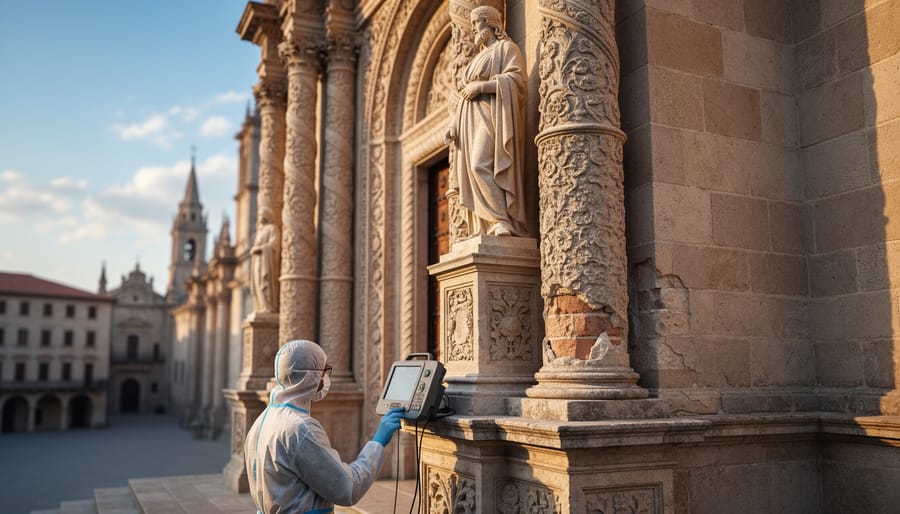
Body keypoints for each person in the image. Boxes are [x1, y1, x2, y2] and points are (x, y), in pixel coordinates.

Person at [245, 339, 405, 513]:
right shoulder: (301, 428)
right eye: (324, 371)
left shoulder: (264, 419)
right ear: (310, 376)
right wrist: (377, 443)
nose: (326, 377)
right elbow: (346, 488)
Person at [445, 5, 527, 237]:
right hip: (468, 120)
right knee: (471, 170)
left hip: (492, 115)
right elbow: (462, 97)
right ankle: (483, 224)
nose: (472, 28)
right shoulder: (476, 59)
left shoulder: (506, 48)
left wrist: (481, 87)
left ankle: (501, 219)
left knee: (479, 165)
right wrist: (453, 126)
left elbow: (517, 81)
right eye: (471, 23)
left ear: (490, 22)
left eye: (476, 22)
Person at [251, 208, 280, 313]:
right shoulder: (260, 231)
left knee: (264, 282)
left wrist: (260, 248)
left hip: (266, 261)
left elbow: (274, 244)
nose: (259, 217)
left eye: (261, 215)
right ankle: (261, 305)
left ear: (266, 215)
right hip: (257, 260)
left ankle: (268, 306)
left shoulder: (272, 228)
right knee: (258, 283)